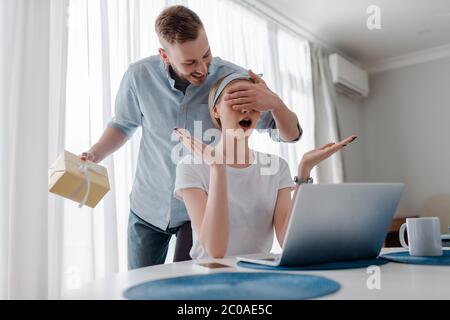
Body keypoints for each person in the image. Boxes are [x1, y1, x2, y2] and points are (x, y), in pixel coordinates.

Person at [80, 6, 302, 269]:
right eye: (189, 62)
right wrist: (95, 154)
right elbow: (123, 124)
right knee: (142, 288)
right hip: (147, 206)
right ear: (165, 55)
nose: (202, 68)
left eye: (206, 55)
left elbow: (289, 135)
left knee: (186, 290)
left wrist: (276, 103)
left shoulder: (230, 80)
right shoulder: (139, 76)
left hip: (197, 211)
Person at [174, 73, 357, 259]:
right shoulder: (190, 167)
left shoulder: (276, 167)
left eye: (252, 101)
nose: (246, 109)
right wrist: (218, 168)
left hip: (259, 272)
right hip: (210, 276)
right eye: (236, 100)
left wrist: (304, 172)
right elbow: (215, 251)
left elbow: (287, 241)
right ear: (216, 111)